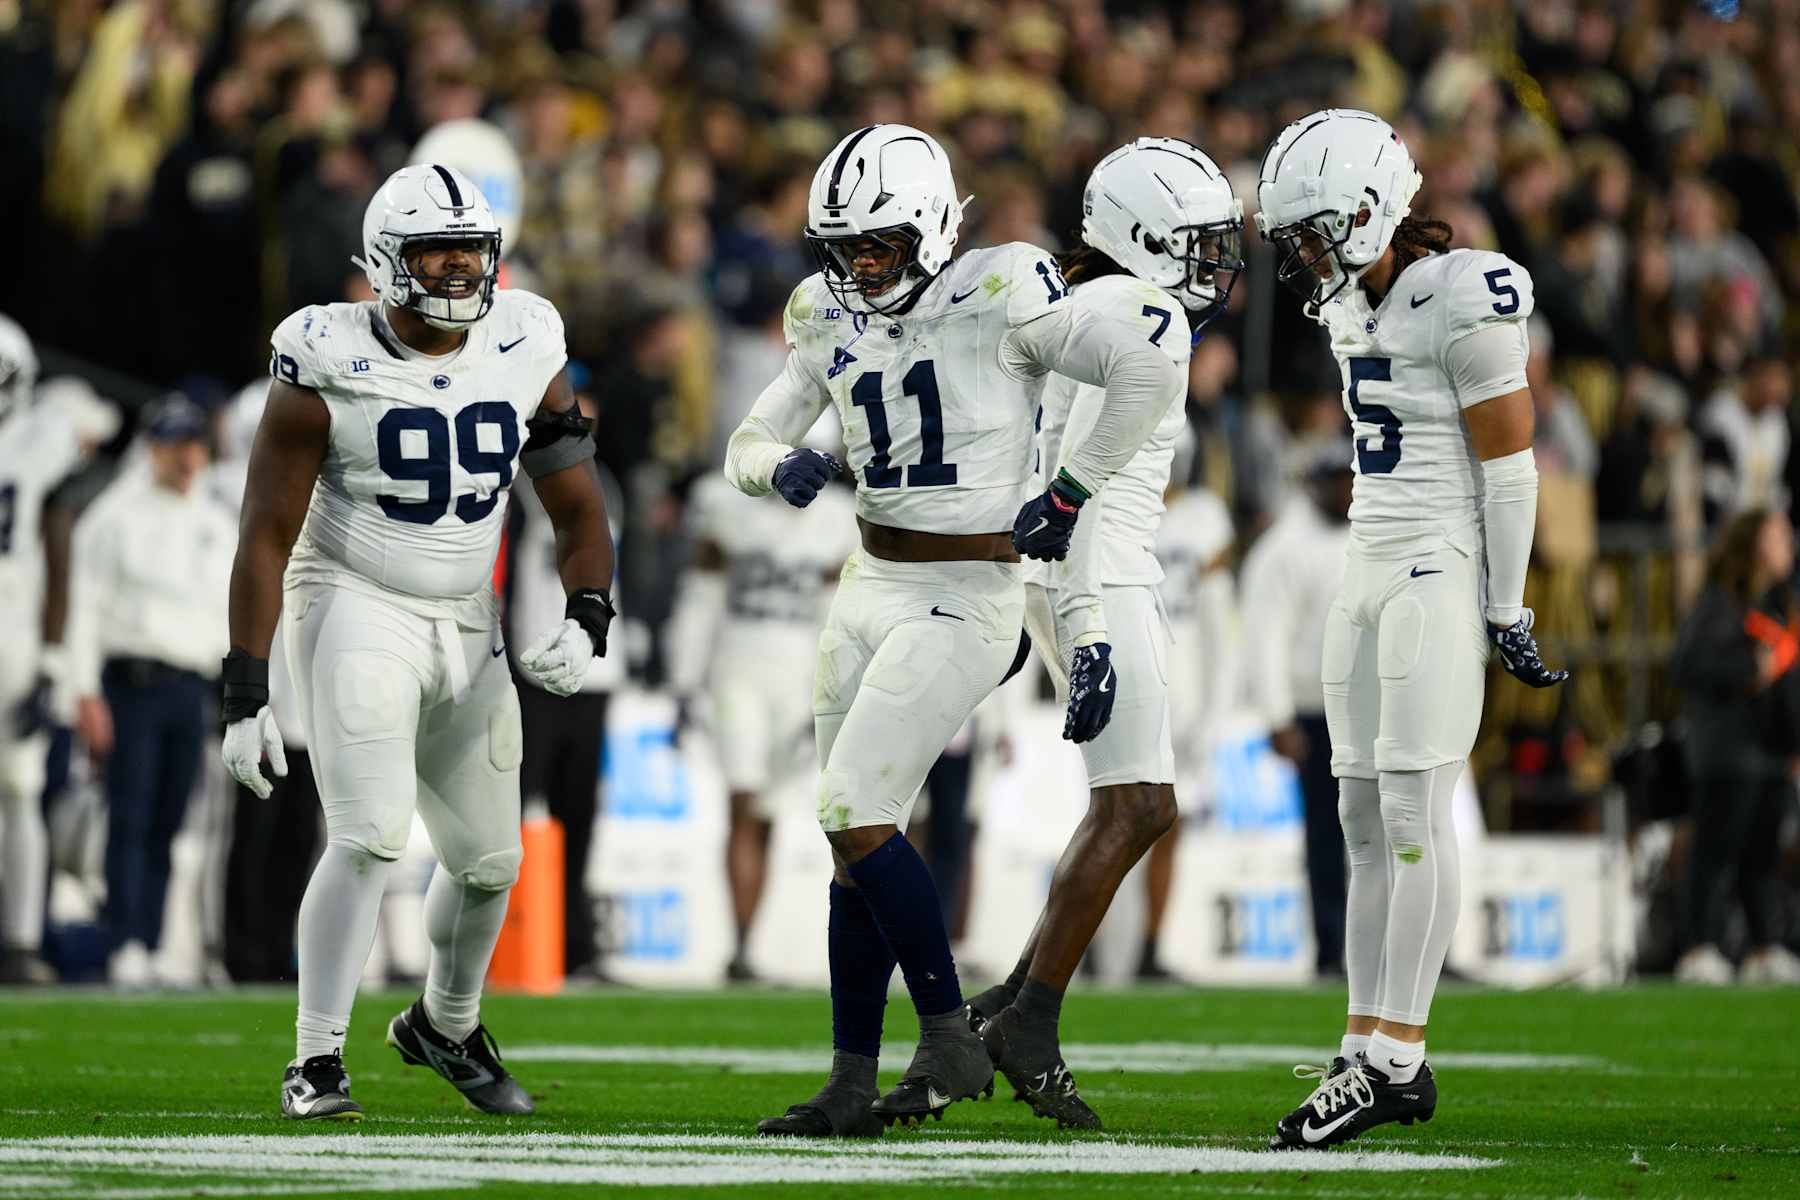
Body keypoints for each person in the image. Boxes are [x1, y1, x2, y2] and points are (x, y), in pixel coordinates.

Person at [725, 123, 1181, 1137]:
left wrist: (1067, 494)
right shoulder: (822, 311)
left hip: (969, 590)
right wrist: (776, 469)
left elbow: (1146, 373)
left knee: (853, 803)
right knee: (851, 839)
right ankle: (850, 1081)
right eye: (842, 247)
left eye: (878, 243)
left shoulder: (1005, 287)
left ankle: (946, 1029)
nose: (858, 266)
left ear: (931, 224)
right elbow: (747, 440)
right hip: (866, 582)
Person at [220, 164, 616, 1122]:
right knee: (369, 834)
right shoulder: (323, 353)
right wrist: (244, 689)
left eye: (471, 250)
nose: (456, 269)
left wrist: (589, 606)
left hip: (467, 614)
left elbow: (573, 499)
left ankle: (445, 1024)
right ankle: (315, 1059)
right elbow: (267, 529)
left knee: (492, 864)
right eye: (435, 250)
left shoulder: (526, 336)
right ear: (383, 264)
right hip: (354, 595)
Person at [1255, 109, 1567, 1149]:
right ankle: (1363, 1039)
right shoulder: (1357, 302)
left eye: (1311, 232)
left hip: (1437, 567)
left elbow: (1512, 466)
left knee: (1409, 812)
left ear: (1363, 211)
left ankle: (1399, 1055)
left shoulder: (1463, 290)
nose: (1302, 255)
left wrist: (1506, 603)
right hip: (1367, 560)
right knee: (1355, 818)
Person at [962, 136, 1245, 1129]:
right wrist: (1072, 507)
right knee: (1139, 808)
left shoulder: (1093, 299)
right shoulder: (1149, 310)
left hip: (1075, 568)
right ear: (1144, 235)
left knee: (1130, 804)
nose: (1214, 263)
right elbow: (1131, 406)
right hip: (1100, 567)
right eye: (1197, 241)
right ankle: (1028, 1018)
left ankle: (1010, 998)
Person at [66, 395, 234, 987]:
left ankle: (158, 942)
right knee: (129, 816)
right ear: (151, 448)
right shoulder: (114, 517)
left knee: (170, 818)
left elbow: (219, 610)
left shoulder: (213, 521)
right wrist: (83, 692)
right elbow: (83, 608)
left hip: (190, 688)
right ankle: (125, 940)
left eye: (193, 443)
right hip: (131, 683)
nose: (186, 456)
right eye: (173, 444)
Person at [668, 469, 856, 984]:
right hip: (737, 667)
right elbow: (701, 594)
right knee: (742, 802)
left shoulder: (838, 515)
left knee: (768, 812)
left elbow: (837, 613)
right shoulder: (723, 501)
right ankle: (740, 942)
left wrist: (836, 688)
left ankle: (747, 943)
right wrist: (685, 678)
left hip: (799, 677)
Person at [1669, 509, 1800, 985]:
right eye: (1778, 535)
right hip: (1726, 753)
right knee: (1714, 853)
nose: (1788, 543)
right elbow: (1687, 665)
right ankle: (1698, 947)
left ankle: (1765, 947)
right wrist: (1750, 670)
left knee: (1763, 856)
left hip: (1771, 753)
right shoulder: (1721, 601)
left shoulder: (1779, 601)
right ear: (1754, 544)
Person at [1241, 442, 1355, 979]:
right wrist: (1278, 716)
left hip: (1370, 703)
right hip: (1316, 710)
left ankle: (1406, 955)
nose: (1347, 489)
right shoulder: (1285, 547)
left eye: (1351, 478)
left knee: (1393, 830)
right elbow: (1265, 636)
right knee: (1327, 835)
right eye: (1336, 480)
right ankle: (1331, 950)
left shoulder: (1370, 531)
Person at [0, 315, 84, 985]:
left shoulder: (39, 441)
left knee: (21, 790)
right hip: (16, 641)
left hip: (14, 642)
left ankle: (22, 941)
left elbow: (59, 548)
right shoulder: (38, 439)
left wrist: (54, 661)